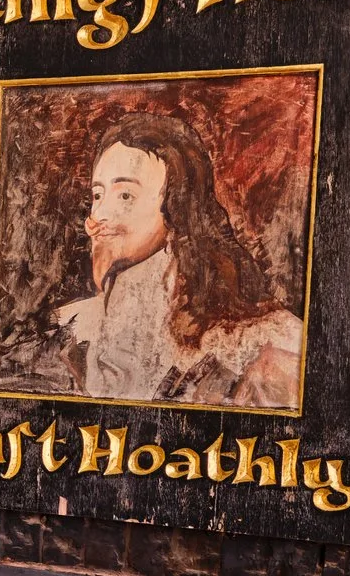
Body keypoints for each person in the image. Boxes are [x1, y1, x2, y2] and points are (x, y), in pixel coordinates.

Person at [32, 111, 303, 410]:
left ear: (176, 205)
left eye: (125, 196)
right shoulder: (69, 328)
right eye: (98, 195)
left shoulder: (257, 343)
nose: (98, 216)